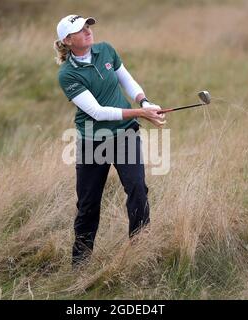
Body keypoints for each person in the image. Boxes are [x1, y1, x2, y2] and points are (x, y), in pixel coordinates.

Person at [54, 14, 166, 268]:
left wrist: (144, 102)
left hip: (125, 134)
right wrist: (141, 114)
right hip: (94, 141)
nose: (87, 31)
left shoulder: (105, 50)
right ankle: (80, 267)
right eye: (80, 30)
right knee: (88, 205)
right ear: (68, 40)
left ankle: (140, 255)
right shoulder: (68, 74)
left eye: (87, 26)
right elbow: (97, 112)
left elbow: (126, 79)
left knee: (138, 190)